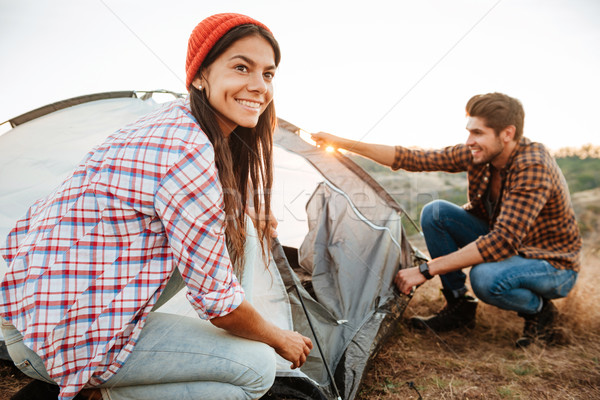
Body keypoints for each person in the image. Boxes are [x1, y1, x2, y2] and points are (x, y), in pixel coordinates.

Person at [0, 13, 312, 400]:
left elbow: (207, 206)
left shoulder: (174, 122)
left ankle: (222, 345)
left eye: (268, 73)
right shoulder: (188, 152)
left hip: (34, 310)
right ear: (200, 76)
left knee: (241, 229)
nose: (258, 86)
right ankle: (99, 395)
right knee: (257, 369)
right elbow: (220, 306)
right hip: (53, 340)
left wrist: (245, 212)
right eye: (240, 67)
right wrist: (278, 337)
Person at [311, 92, 581, 348]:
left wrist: (426, 269)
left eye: (477, 133)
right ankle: (459, 306)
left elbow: (501, 242)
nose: (469, 141)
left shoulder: (533, 165)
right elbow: (413, 158)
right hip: (509, 245)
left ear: (507, 134)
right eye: (469, 132)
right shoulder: (483, 153)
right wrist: (343, 143)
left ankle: (541, 312)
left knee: (485, 278)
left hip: (550, 264)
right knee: (435, 212)